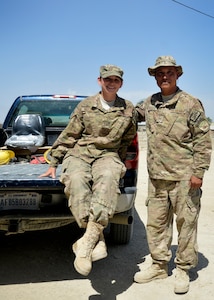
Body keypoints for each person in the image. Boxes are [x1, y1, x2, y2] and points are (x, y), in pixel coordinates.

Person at [40, 64, 137, 276]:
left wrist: (117, 159)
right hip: (81, 153)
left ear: (121, 83)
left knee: (110, 177)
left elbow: (128, 137)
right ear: (99, 81)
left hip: (108, 155)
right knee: (75, 179)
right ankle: (96, 237)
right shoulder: (85, 106)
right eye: (107, 79)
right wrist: (54, 162)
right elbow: (70, 135)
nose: (111, 83)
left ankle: (83, 245)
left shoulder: (128, 109)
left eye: (116, 80)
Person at [134, 56, 212, 294]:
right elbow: (127, 115)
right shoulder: (149, 103)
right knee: (156, 225)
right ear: (155, 77)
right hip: (157, 179)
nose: (164, 77)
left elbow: (202, 140)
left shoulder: (190, 103)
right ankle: (159, 265)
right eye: (159, 73)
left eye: (169, 72)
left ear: (177, 74)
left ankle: (183, 269)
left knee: (186, 224)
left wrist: (198, 172)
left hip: (184, 178)